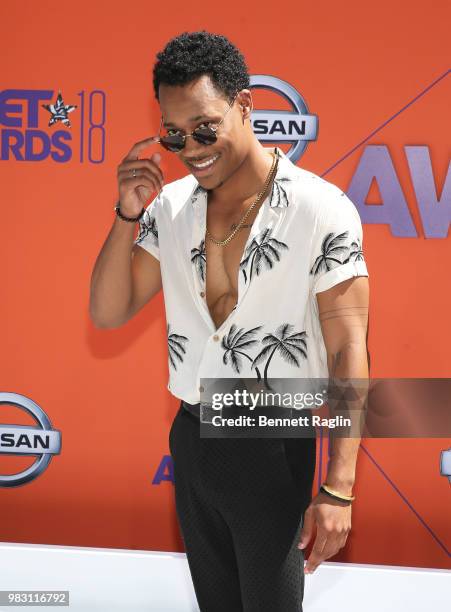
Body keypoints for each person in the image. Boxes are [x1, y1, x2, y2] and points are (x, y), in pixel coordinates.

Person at [89, 30, 370, 612]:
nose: (191, 148)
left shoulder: (321, 209)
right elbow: (108, 311)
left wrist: (339, 486)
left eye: (205, 127)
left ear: (245, 106)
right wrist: (125, 214)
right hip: (192, 443)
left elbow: (349, 350)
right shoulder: (168, 210)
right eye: (174, 133)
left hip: (274, 441)